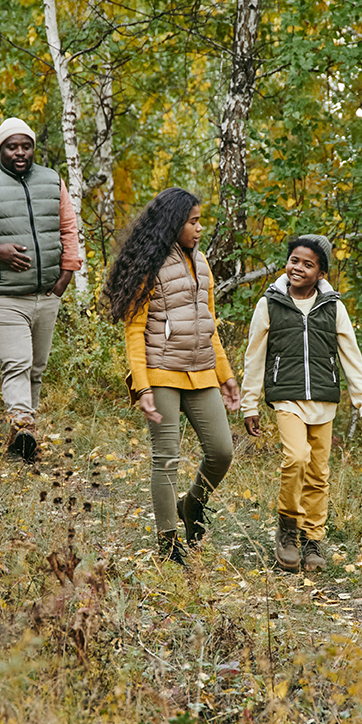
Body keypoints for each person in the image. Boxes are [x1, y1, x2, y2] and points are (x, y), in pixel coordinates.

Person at [105, 188, 240, 564]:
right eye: (193, 222)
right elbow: (135, 331)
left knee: (222, 452)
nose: (199, 228)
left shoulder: (202, 261)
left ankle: (192, 505)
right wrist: (143, 385)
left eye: (200, 221)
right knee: (166, 459)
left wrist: (225, 374)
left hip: (201, 370)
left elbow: (209, 324)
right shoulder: (149, 264)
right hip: (161, 372)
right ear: (173, 223)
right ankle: (168, 544)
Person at [239, 235, 362, 572]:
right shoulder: (269, 304)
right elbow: (254, 357)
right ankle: (288, 529)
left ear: (321, 273)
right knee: (296, 457)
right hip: (286, 397)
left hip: (323, 400)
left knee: (318, 472)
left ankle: (312, 539)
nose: (298, 268)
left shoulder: (333, 308)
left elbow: (352, 358)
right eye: (294, 261)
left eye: (308, 264)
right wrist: (249, 404)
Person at [0, 118, 82, 460]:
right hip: (5, 294)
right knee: (18, 362)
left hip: (47, 293)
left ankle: (26, 433)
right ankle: (21, 421)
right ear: (1, 150)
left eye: (26, 146)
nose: (20, 152)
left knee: (36, 366)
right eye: (12, 147)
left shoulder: (52, 180)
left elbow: (68, 228)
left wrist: (68, 271)